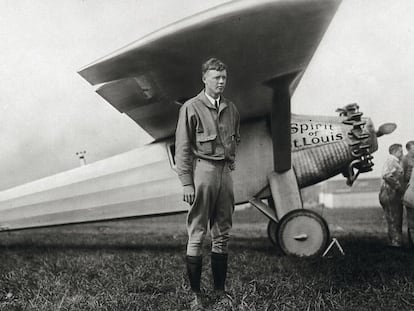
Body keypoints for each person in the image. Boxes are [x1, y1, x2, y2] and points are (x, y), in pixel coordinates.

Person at [175, 58, 240, 310]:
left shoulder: (231, 108)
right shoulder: (191, 107)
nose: (221, 82)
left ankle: (220, 292)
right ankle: (195, 295)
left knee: (223, 232)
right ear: (204, 79)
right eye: (216, 78)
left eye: (224, 77)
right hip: (203, 171)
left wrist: (231, 162)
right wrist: (186, 183)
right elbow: (182, 148)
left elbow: (235, 138)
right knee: (198, 231)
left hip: (225, 173)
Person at [379, 143, 404, 247]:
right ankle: (395, 242)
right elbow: (386, 175)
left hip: (387, 191)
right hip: (389, 191)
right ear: (395, 152)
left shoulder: (391, 160)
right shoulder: (392, 160)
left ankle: (394, 240)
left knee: (391, 216)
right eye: (400, 151)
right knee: (394, 216)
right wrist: (397, 186)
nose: (402, 153)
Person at [402, 141, 414, 245]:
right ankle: (411, 242)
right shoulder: (405, 160)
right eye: (413, 149)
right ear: (408, 149)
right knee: (411, 218)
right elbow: (402, 176)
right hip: (409, 190)